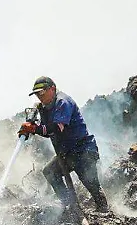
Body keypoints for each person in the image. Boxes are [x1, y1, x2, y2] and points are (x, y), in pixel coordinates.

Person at [18, 76, 109, 212]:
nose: (39, 97)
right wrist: (30, 129)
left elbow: (56, 128)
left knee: (90, 182)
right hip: (66, 152)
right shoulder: (45, 108)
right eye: (37, 94)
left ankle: (104, 210)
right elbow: (47, 131)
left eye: (42, 93)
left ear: (52, 89)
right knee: (50, 172)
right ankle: (69, 204)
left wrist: (34, 129)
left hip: (82, 150)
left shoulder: (63, 102)